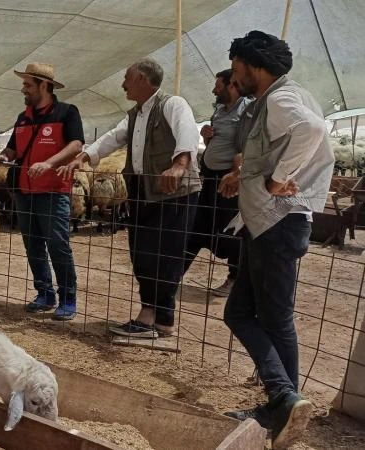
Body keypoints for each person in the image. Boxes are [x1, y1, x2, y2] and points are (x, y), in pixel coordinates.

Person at [217, 30, 333, 449]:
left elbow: (311, 130)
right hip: (267, 222)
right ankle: (283, 399)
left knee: (271, 317)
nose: (235, 78)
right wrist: (244, 173)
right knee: (242, 312)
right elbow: (281, 143)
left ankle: (284, 399)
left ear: (255, 68)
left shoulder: (282, 99)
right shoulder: (284, 95)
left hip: (279, 221)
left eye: (236, 70)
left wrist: (277, 179)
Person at [58, 57, 201, 338]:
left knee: (166, 254)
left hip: (173, 192)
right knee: (142, 253)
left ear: (142, 80)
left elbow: (187, 131)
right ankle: (159, 318)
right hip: (143, 191)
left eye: (127, 78)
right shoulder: (136, 114)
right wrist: (85, 156)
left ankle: (154, 318)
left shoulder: (172, 104)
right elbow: (114, 136)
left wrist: (180, 164)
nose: (123, 83)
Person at [0, 63, 84, 321]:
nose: (23, 89)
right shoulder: (23, 118)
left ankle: (68, 297)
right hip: (24, 191)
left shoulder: (66, 113)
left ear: (44, 85)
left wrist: (49, 163)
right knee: (32, 245)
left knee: (58, 245)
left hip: (53, 192)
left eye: (27, 84)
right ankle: (44, 293)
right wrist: (2, 157)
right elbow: (13, 149)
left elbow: (77, 144)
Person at [181, 70, 251, 297]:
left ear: (232, 85)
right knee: (199, 224)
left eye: (218, 86)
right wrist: (206, 136)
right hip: (211, 177)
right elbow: (215, 141)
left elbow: (244, 148)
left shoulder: (246, 111)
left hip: (229, 180)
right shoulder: (219, 110)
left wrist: (236, 174)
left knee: (231, 230)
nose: (214, 90)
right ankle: (174, 273)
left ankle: (235, 277)